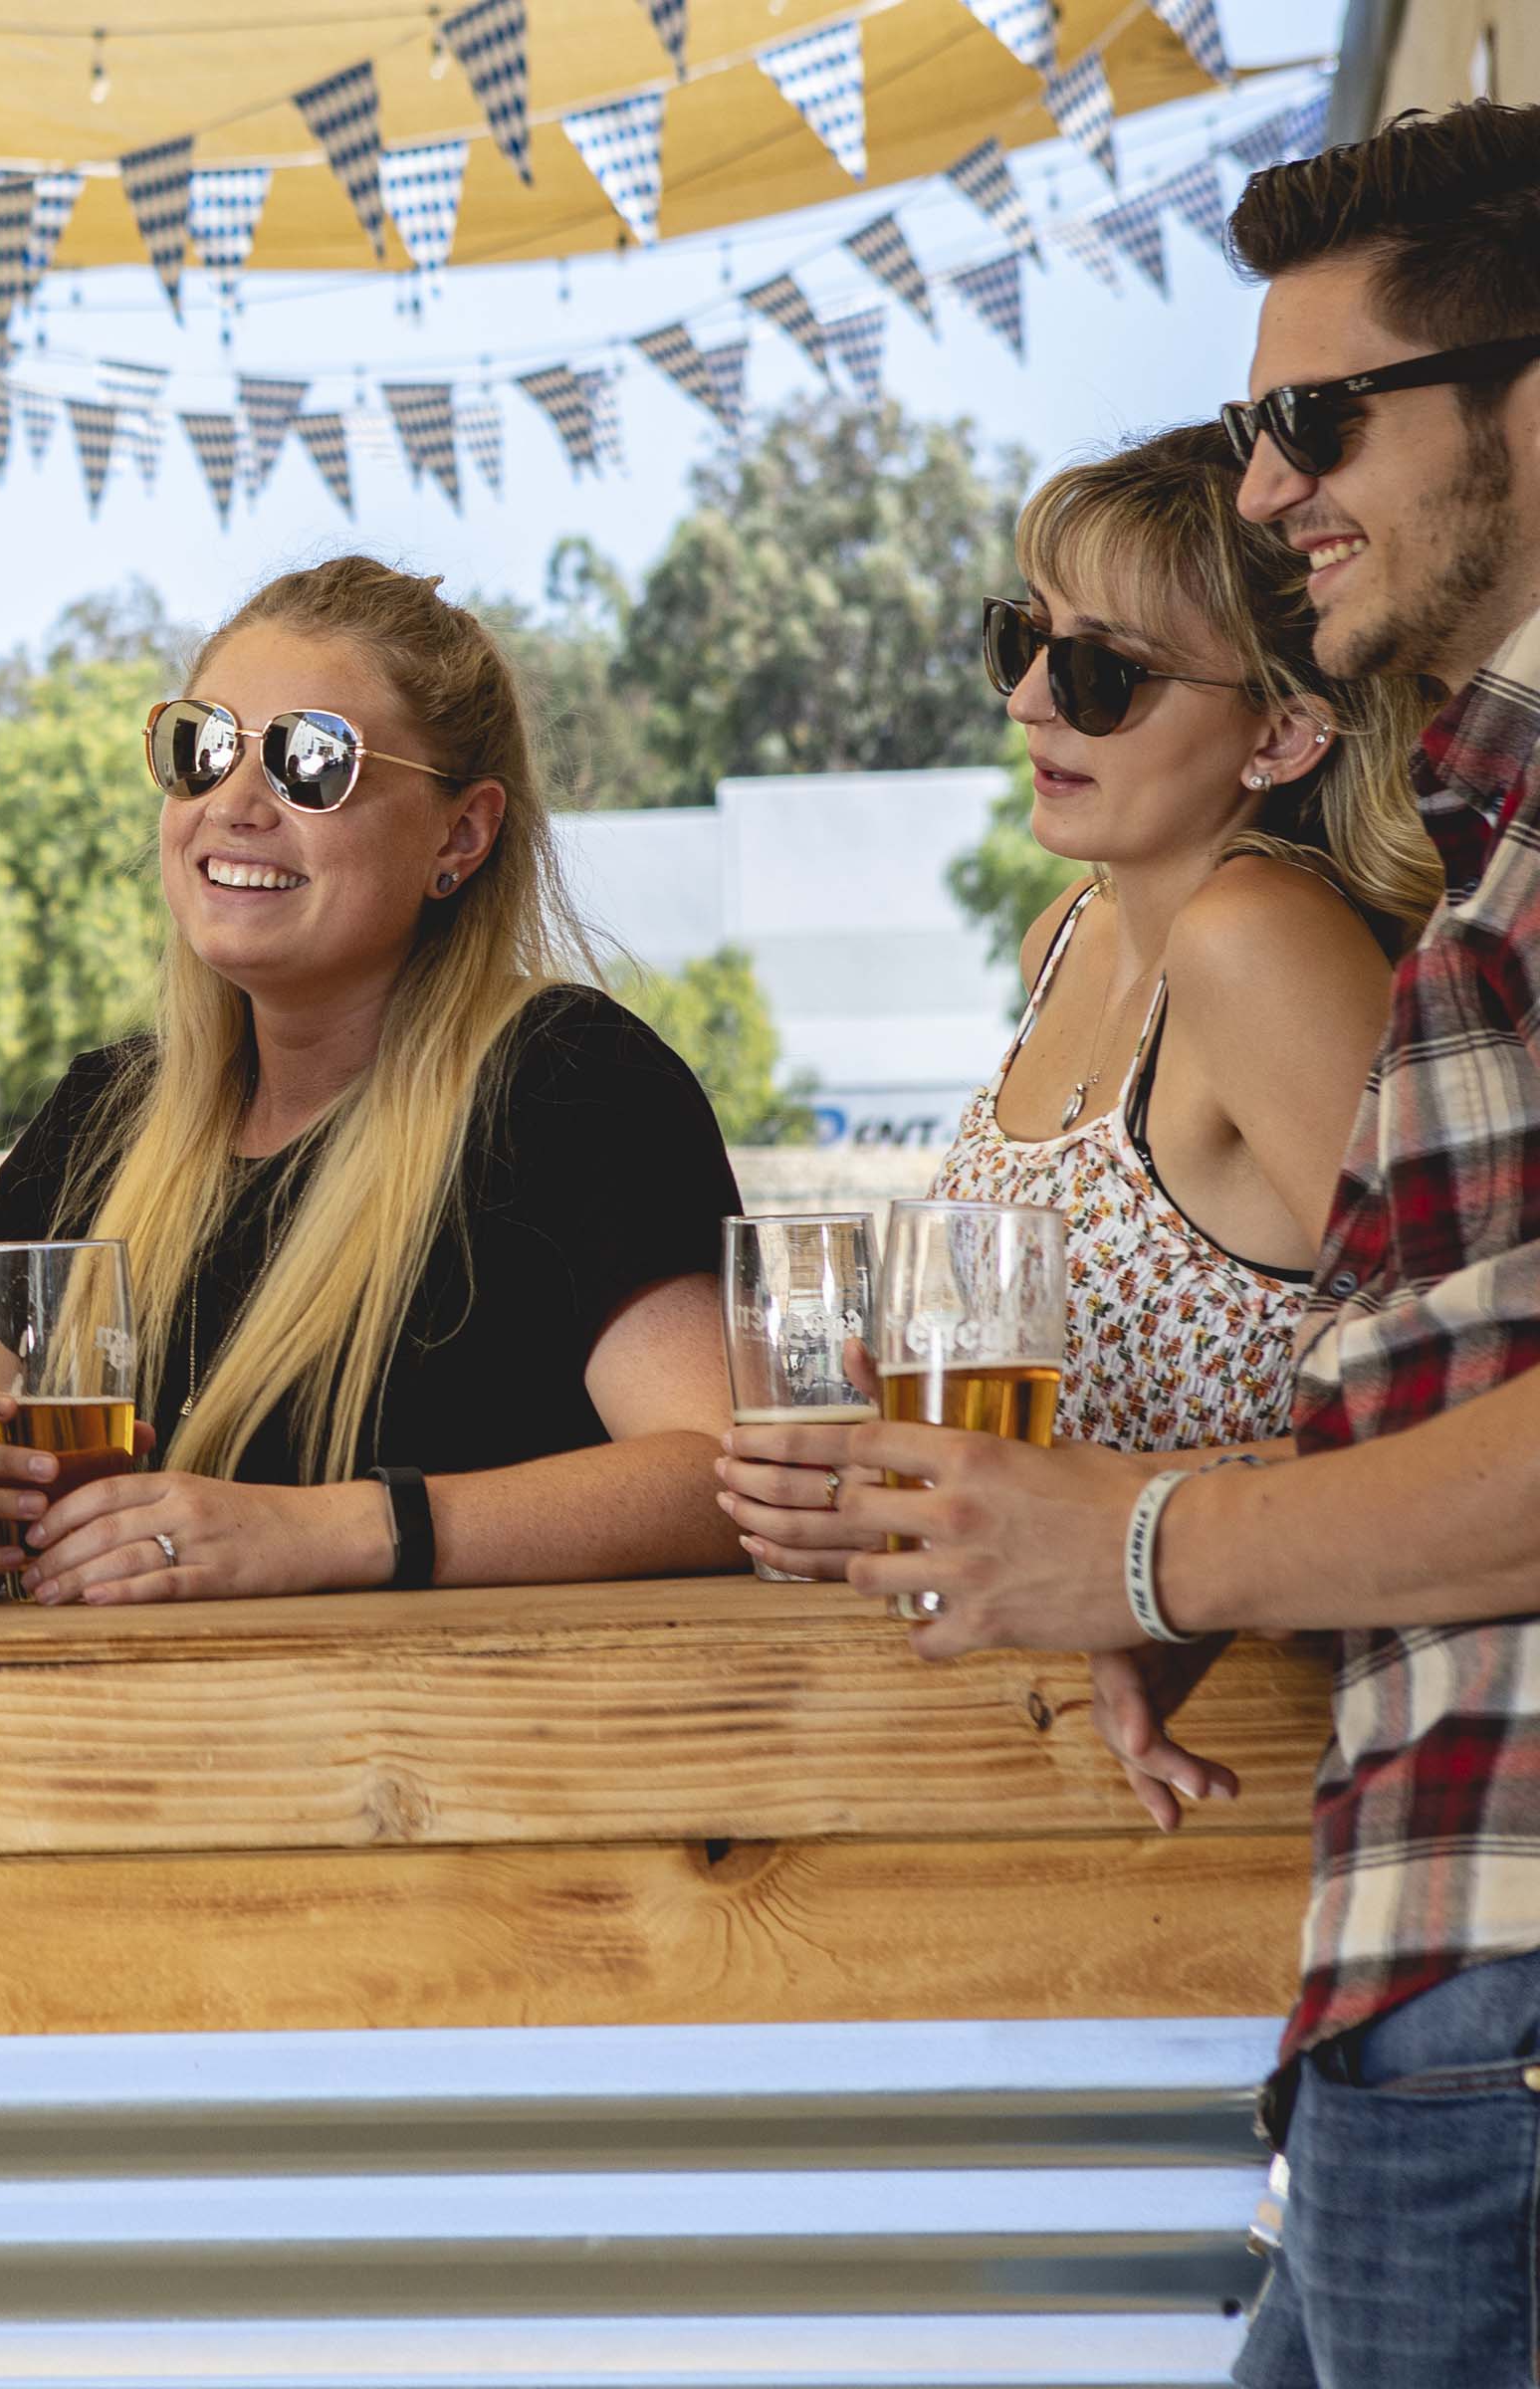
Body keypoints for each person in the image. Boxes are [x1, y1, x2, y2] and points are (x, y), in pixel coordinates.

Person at [786, 104, 1540, 2389]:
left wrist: (1148, 1553)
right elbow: (1416, 1359)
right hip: (1426, 1932)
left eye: (1314, 421)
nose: (1271, 483)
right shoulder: (1493, 833)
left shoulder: (1279, 926)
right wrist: (1195, 1576)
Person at [0, 556, 744, 1604]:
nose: (235, 804)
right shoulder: (102, 1115)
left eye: (313, 762)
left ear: (462, 833)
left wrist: (330, 1530)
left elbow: (719, 1477)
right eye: (201, 748)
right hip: (119, 1757)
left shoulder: (569, 1084)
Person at [725, 423, 1436, 1579]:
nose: (1032, 702)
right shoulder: (1064, 937)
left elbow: (1463, 1411)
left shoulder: (1253, 941)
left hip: (1251, 1700)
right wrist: (895, 1467)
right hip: (1059, 1694)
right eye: (1026, 639)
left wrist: (1103, 1508)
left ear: (1285, 729)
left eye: (1106, 672)